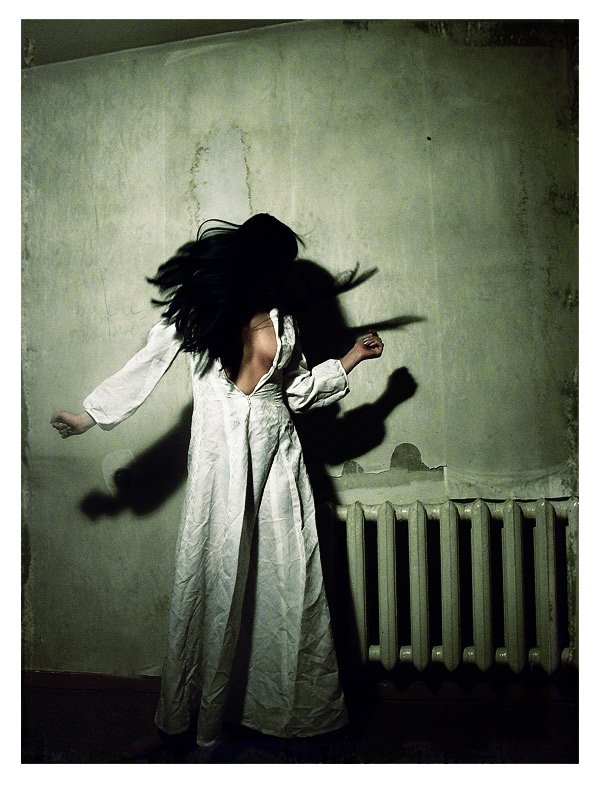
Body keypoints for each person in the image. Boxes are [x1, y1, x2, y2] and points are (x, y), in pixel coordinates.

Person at [51, 213, 384, 757]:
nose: (280, 276)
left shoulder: (284, 325)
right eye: (276, 265)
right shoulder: (200, 314)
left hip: (279, 471)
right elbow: (148, 363)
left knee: (284, 586)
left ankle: (272, 716)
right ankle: (188, 723)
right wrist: (90, 415)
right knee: (210, 587)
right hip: (219, 475)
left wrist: (353, 359)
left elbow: (297, 393)